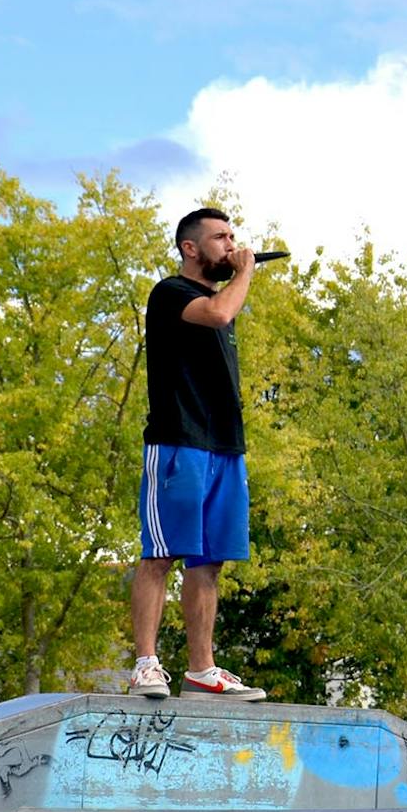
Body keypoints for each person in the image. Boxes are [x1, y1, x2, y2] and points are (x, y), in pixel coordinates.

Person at [129, 207, 267, 701]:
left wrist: (237, 273)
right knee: (160, 554)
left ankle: (201, 670)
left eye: (234, 236)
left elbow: (224, 310)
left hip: (224, 447)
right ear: (191, 248)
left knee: (209, 564)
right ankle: (146, 662)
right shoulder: (172, 293)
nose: (232, 245)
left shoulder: (218, 295)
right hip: (177, 443)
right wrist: (246, 268)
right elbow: (220, 312)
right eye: (221, 237)